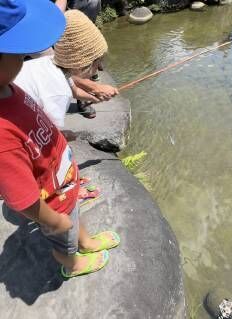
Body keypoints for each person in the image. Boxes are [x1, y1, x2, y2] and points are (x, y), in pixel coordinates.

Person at [0, 0, 120, 278]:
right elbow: (21, 197)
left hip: (62, 183)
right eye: (18, 54)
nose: (24, 58)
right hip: (50, 197)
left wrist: (59, 135)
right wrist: (54, 222)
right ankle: (71, 263)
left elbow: (38, 118)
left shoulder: (8, 88)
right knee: (65, 234)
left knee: (74, 211)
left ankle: (85, 241)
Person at [15, 9, 118, 126]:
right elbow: (49, 131)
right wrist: (65, 136)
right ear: (85, 64)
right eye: (99, 63)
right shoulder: (60, 92)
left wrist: (95, 98)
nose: (99, 69)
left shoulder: (52, 63)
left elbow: (75, 91)